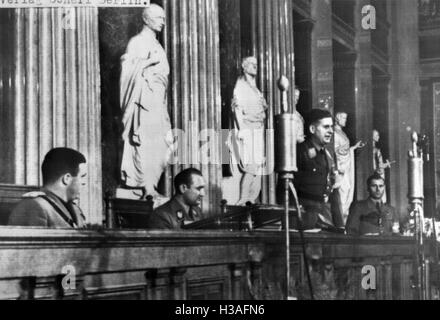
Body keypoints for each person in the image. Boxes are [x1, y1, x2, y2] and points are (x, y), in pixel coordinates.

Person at [119, 4, 173, 202]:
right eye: (159, 18)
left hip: (158, 100)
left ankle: (152, 185)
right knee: (145, 142)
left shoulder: (158, 46)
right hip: (143, 99)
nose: (163, 22)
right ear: (147, 19)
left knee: (162, 146)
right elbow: (127, 71)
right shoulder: (137, 42)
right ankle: (146, 187)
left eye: (163, 18)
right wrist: (147, 63)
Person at [291, 108, 344, 230]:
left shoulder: (327, 155)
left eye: (331, 127)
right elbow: (289, 190)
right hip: (304, 221)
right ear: (312, 129)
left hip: (325, 218)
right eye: (326, 127)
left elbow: (333, 193)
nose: (331, 131)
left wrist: (340, 224)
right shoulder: (299, 152)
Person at [8, 148, 87, 228]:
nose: (84, 182)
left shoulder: (75, 209)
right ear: (67, 179)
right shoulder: (33, 207)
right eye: (82, 176)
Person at [228, 56, 268, 205]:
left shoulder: (254, 87)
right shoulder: (240, 86)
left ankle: (252, 199)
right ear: (244, 67)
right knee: (251, 166)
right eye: (252, 65)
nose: (255, 67)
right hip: (248, 129)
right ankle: (244, 199)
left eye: (256, 64)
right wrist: (242, 130)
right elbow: (237, 110)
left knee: (258, 167)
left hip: (258, 128)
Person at [334, 112, 365, 224]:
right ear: (337, 119)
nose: (345, 120)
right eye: (343, 118)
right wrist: (344, 152)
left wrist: (354, 148)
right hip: (341, 167)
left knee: (347, 192)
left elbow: (344, 150)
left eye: (346, 118)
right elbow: (336, 151)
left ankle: (344, 220)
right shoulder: (334, 133)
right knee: (342, 192)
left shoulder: (342, 133)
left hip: (346, 167)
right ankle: (340, 221)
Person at [372, 129, 392, 203]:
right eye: (377, 135)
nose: (378, 137)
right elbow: (379, 166)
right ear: (372, 136)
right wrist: (384, 166)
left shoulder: (375, 150)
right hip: (377, 174)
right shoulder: (376, 151)